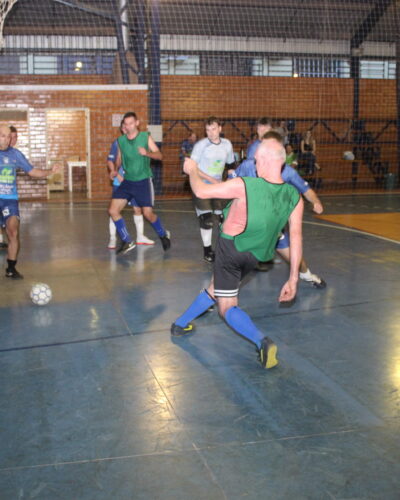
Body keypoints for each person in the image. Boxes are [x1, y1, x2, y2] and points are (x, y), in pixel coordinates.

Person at [171, 137, 303, 369]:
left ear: (262, 160)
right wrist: (293, 278)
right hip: (254, 256)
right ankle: (180, 324)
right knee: (217, 288)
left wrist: (192, 170)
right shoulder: (294, 197)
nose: (253, 164)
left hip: (231, 250)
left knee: (227, 306)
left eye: (255, 159)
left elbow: (201, 192)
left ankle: (262, 342)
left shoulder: (245, 185)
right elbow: (297, 237)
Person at [232, 131, 326, 288]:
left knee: (295, 258)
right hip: (250, 225)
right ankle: (217, 292)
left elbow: (306, 189)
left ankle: (307, 275)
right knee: (237, 261)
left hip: (274, 228)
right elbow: (231, 184)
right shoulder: (248, 166)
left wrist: (316, 201)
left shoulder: (287, 172)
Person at [0, 125, 61, 279]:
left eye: (8, 136)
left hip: (9, 200)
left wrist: (50, 171)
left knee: (13, 231)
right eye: (3, 136)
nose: (7, 139)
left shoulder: (15, 154)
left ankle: (11, 268)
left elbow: (32, 171)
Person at [108, 112, 170, 255]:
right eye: (126, 124)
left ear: (137, 123)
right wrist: (115, 171)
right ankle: (127, 240)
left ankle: (162, 234)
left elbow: (160, 155)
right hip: (127, 181)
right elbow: (119, 158)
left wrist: (147, 153)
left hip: (143, 181)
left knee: (148, 214)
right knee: (113, 210)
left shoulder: (145, 137)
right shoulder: (120, 141)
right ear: (124, 126)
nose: (128, 126)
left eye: (131, 123)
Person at [190, 116, 235, 263]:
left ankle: (225, 249)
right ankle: (207, 251)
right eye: (208, 130)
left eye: (214, 129)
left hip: (218, 186)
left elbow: (230, 165)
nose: (210, 132)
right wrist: (210, 179)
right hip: (201, 185)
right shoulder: (201, 145)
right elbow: (192, 168)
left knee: (223, 218)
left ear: (220, 129)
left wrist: (230, 179)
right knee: (206, 219)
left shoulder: (227, 144)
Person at [107, 121, 154, 249]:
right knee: (114, 210)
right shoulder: (117, 143)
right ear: (122, 129)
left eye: (127, 126)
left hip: (135, 181)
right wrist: (115, 173)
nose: (125, 128)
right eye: (123, 127)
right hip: (120, 182)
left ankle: (140, 236)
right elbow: (110, 161)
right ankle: (113, 238)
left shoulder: (139, 141)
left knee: (138, 209)